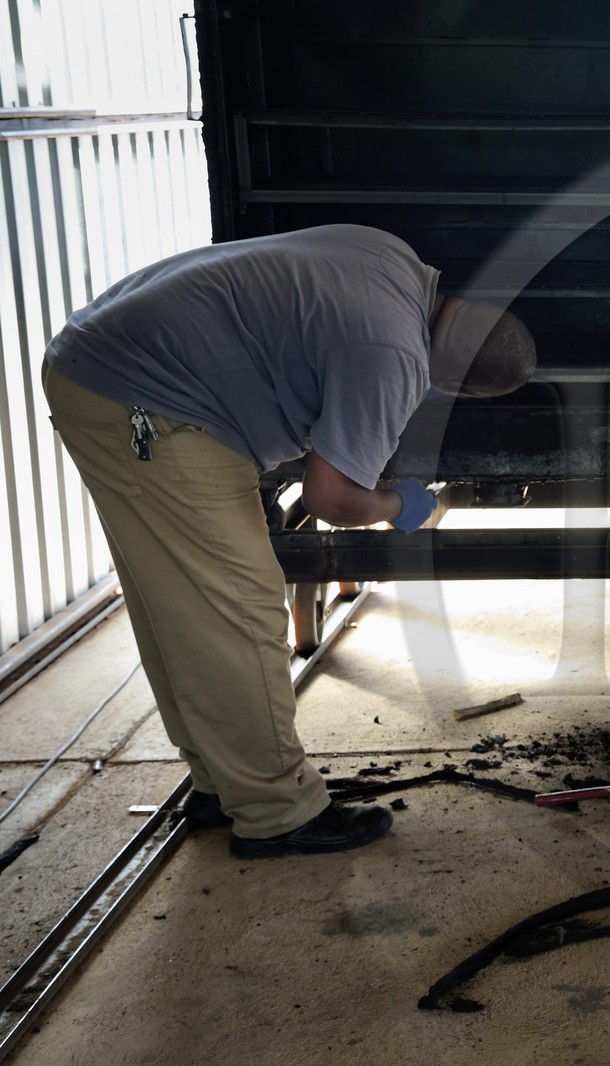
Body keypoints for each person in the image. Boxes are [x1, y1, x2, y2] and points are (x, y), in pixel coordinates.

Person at [41, 224, 538, 857]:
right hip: (150, 402)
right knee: (240, 611)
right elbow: (328, 499)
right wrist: (402, 504)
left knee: (181, 606)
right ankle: (278, 813)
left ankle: (224, 783)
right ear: (458, 383)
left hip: (99, 364)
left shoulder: (393, 257)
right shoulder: (395, 355)